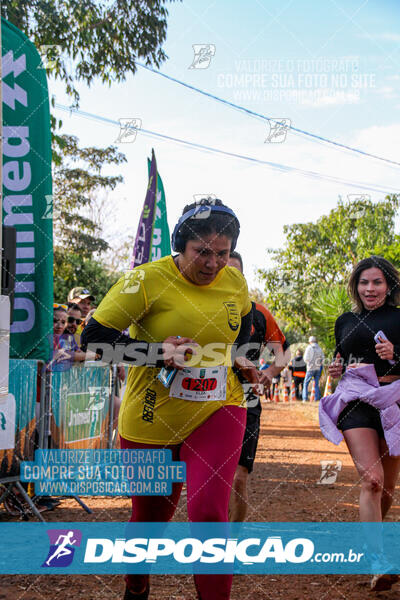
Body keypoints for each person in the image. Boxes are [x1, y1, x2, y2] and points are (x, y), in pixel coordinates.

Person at [81, 198, 263, 600]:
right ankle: (137, 586)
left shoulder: (234, 282)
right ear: (181, 246)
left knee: (209, 513)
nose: (213, 263)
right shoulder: (146, 280)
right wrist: (156, 352)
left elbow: (244, 327)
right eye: (202, 252)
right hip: (152, 414)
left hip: (220, 406)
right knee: (150, 517)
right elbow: (93, 340)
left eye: (223, 253)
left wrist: (242, 358)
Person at [320, 256, 400, 592]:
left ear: (389, 286)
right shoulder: (344, 321)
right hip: (356, 403)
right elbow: (342, 359)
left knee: (387, 489)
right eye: (364, 282)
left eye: (377, 282)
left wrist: (396, 354)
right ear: (355, 286)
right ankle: (379, 562)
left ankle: (374, 539)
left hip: (394, 402)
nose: (370, 289)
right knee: (371, 481)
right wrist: (335, 371)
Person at [227, 251, 289, 522]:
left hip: (245, 399)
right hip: (200, 398)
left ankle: (232, 548)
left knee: (239, 478)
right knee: (208, 478)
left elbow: (282, 352)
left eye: (234, 272)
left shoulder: (258, 313)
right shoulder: (193, 307)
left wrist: (270, 371)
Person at [302, 336, 324, 401]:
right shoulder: (319, 348)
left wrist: (309, 363)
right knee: (316, 384)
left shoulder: (309, 348)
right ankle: (316, 398)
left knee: (306, 383)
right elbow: (323, 358)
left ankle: (305, 398)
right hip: (317, 368)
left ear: (310, 341)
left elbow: (305, 358)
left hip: (310, 368)